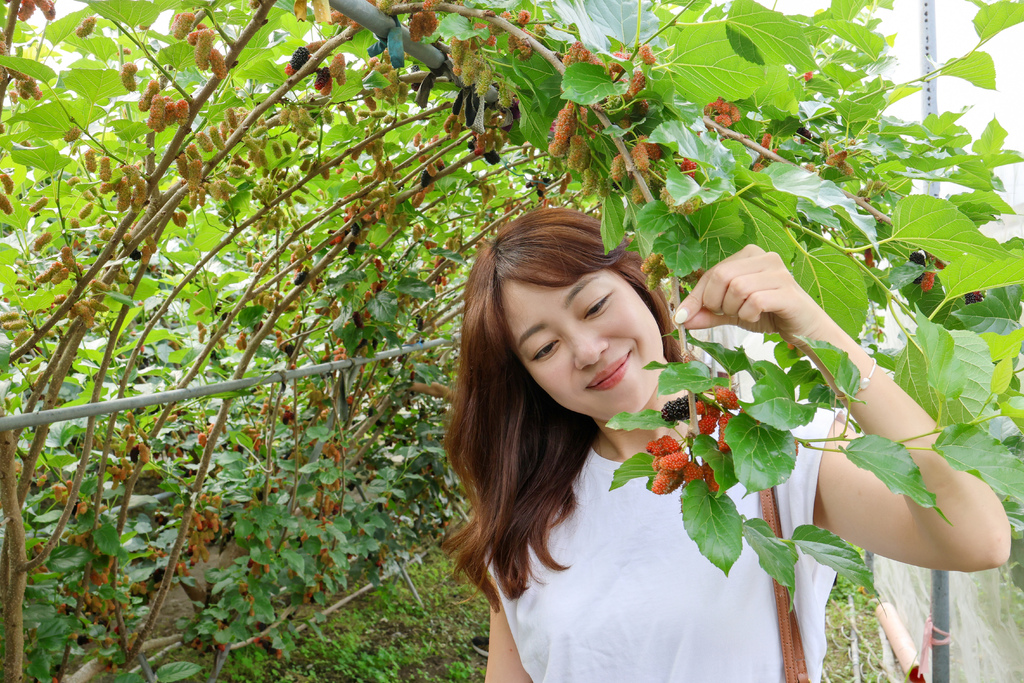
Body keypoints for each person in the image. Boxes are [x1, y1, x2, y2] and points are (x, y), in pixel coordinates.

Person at [442, 207, 1010, 682]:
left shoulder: (769, 448)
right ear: (527, 381)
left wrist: (809, 324)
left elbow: (978, 540)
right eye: (544, 349)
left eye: (593, 305)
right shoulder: (526, 517)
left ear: (642, 286)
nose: (587, 349)